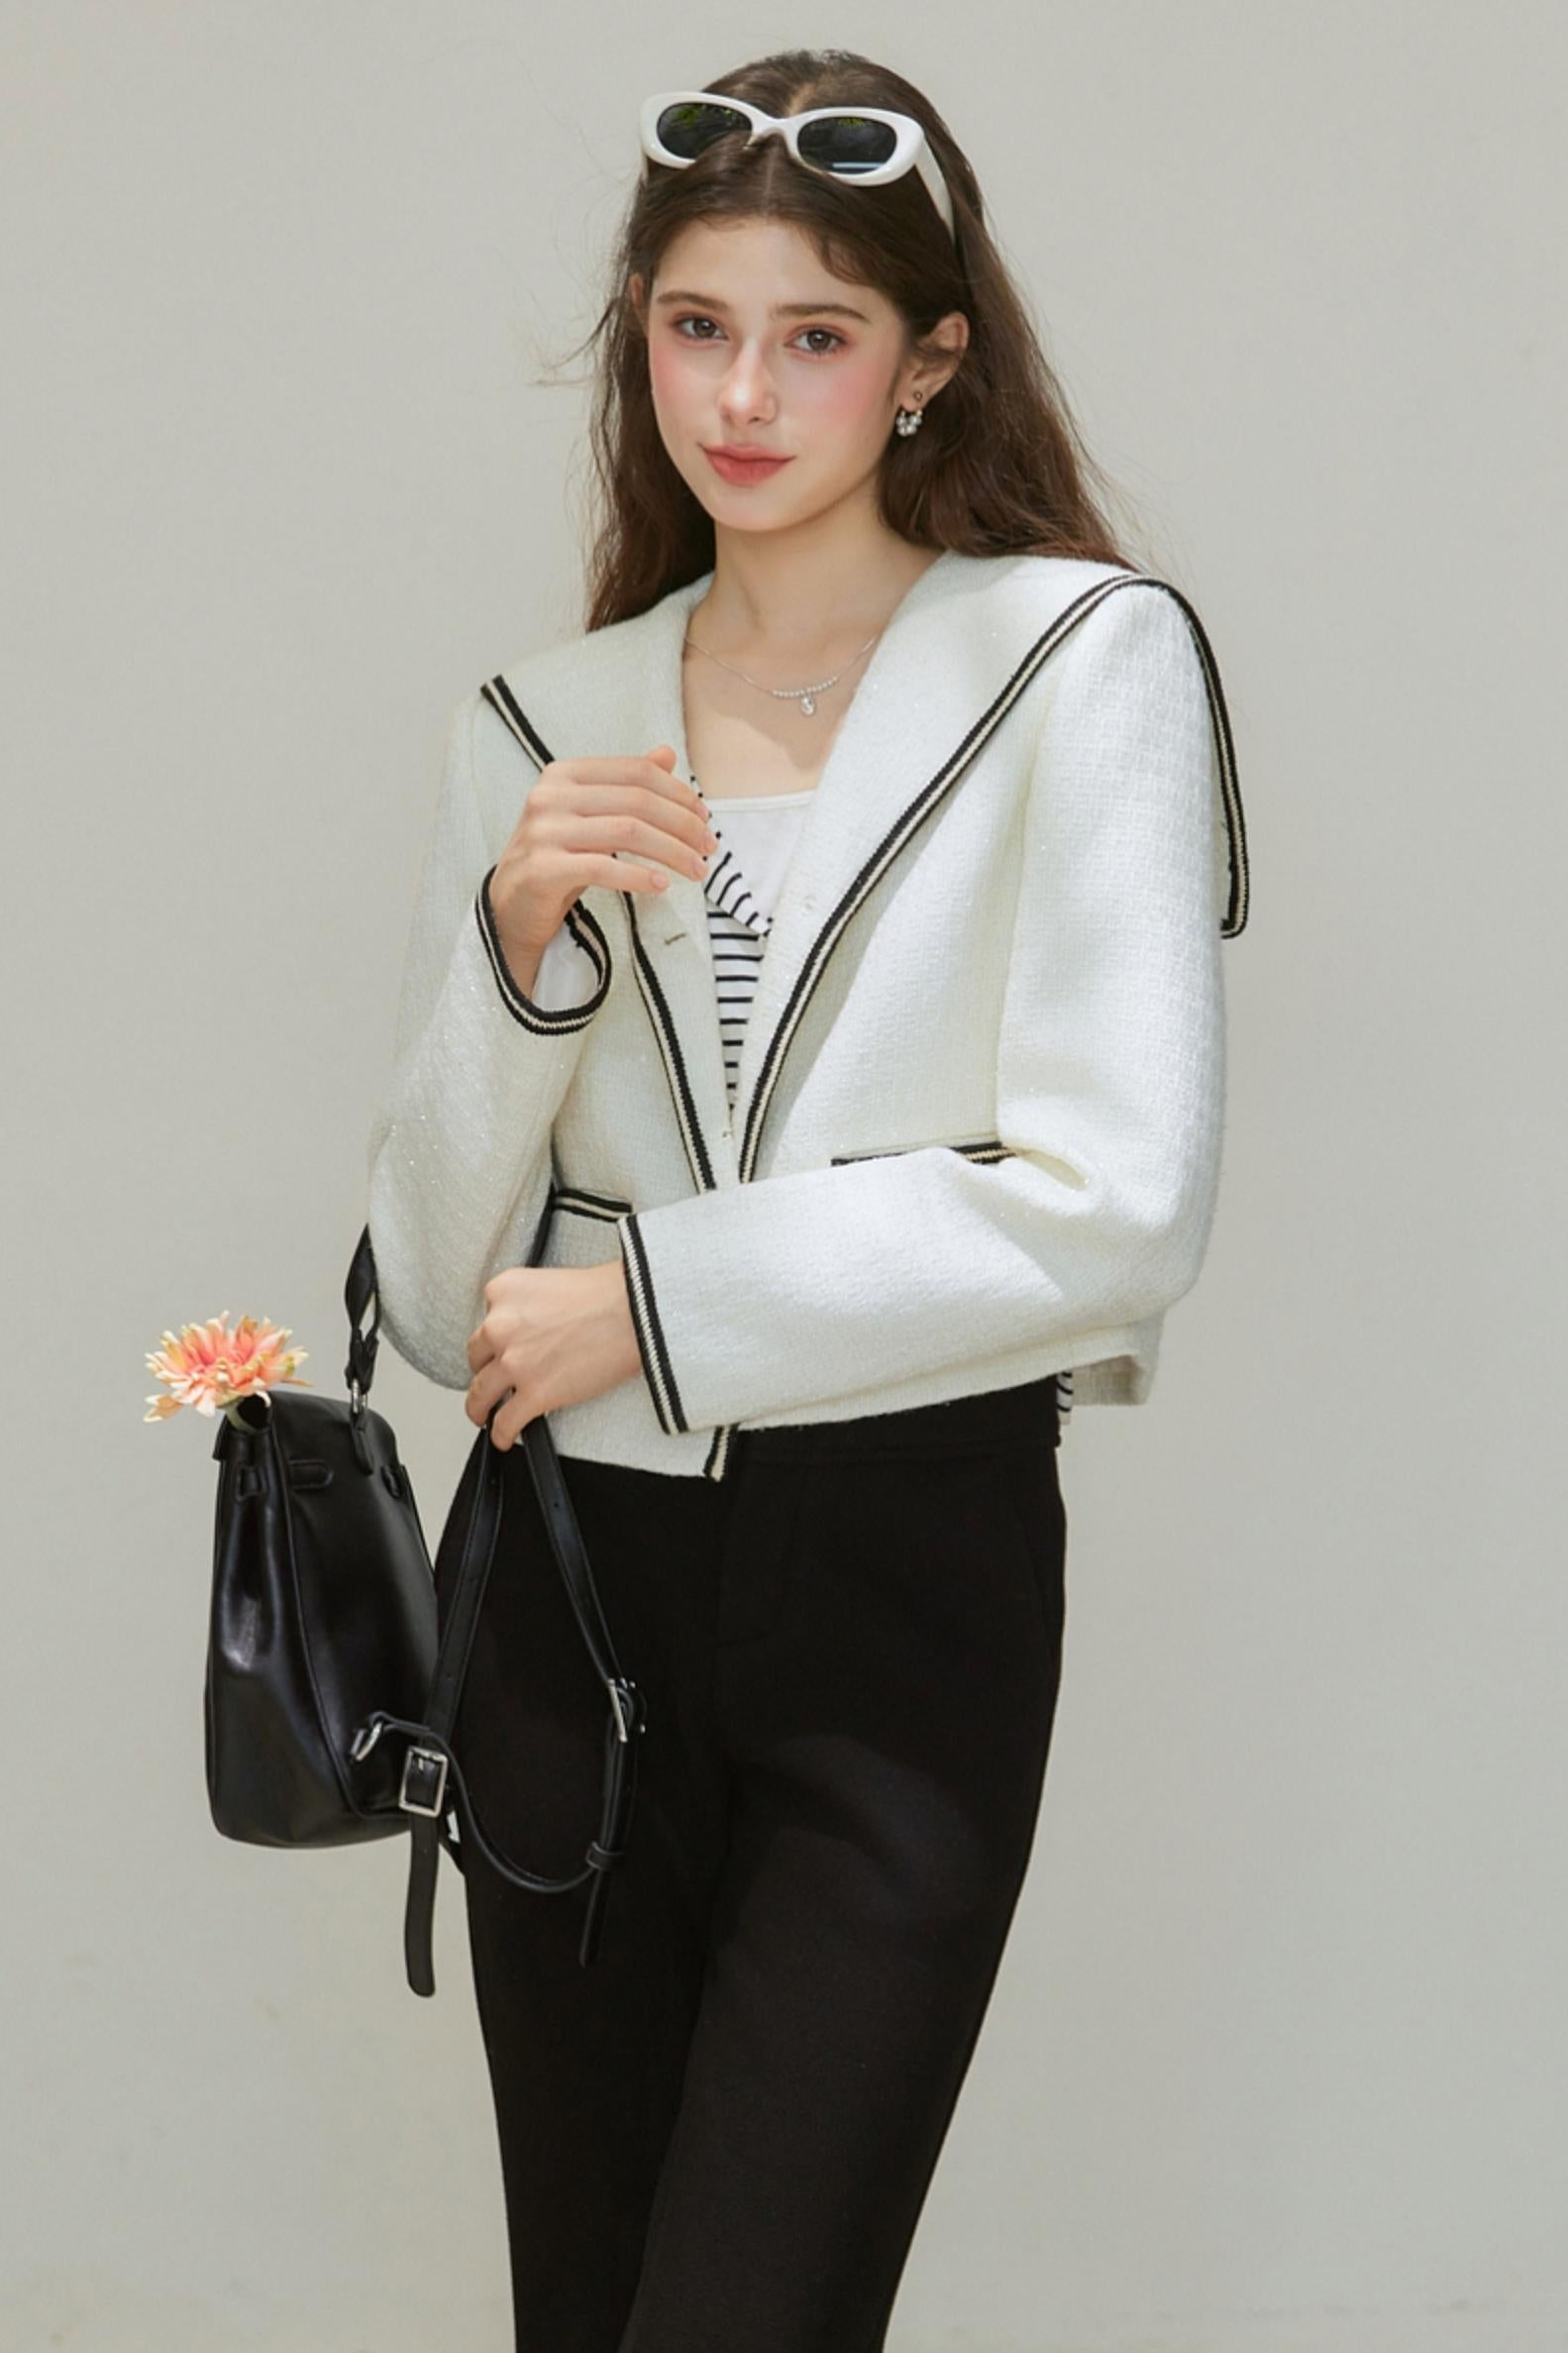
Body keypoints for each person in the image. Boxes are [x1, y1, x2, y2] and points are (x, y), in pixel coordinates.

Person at [366, 48, 1249, 2353]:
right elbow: (429, 1290)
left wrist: (655, 1299)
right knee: (589, 2313)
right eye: (696, 326)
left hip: (905, 1588)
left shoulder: (1081, 664)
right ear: (640, 339)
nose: (743, 396)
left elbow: (1120, 1202)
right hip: (566, 1601)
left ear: (929, 357)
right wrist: (522, 954)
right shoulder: (535, 721)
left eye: (817, 334)